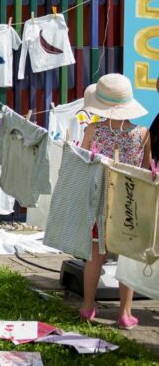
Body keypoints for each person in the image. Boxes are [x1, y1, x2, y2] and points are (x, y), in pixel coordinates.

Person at [77, 73, 153, 329]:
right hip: (129, 202)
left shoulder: (93, 129)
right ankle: (125, 313)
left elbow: (83, 160)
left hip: (100, 200)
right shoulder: (142, 133)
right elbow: (144, 170)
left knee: (95, 256)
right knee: (128, 256)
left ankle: (88, 306)